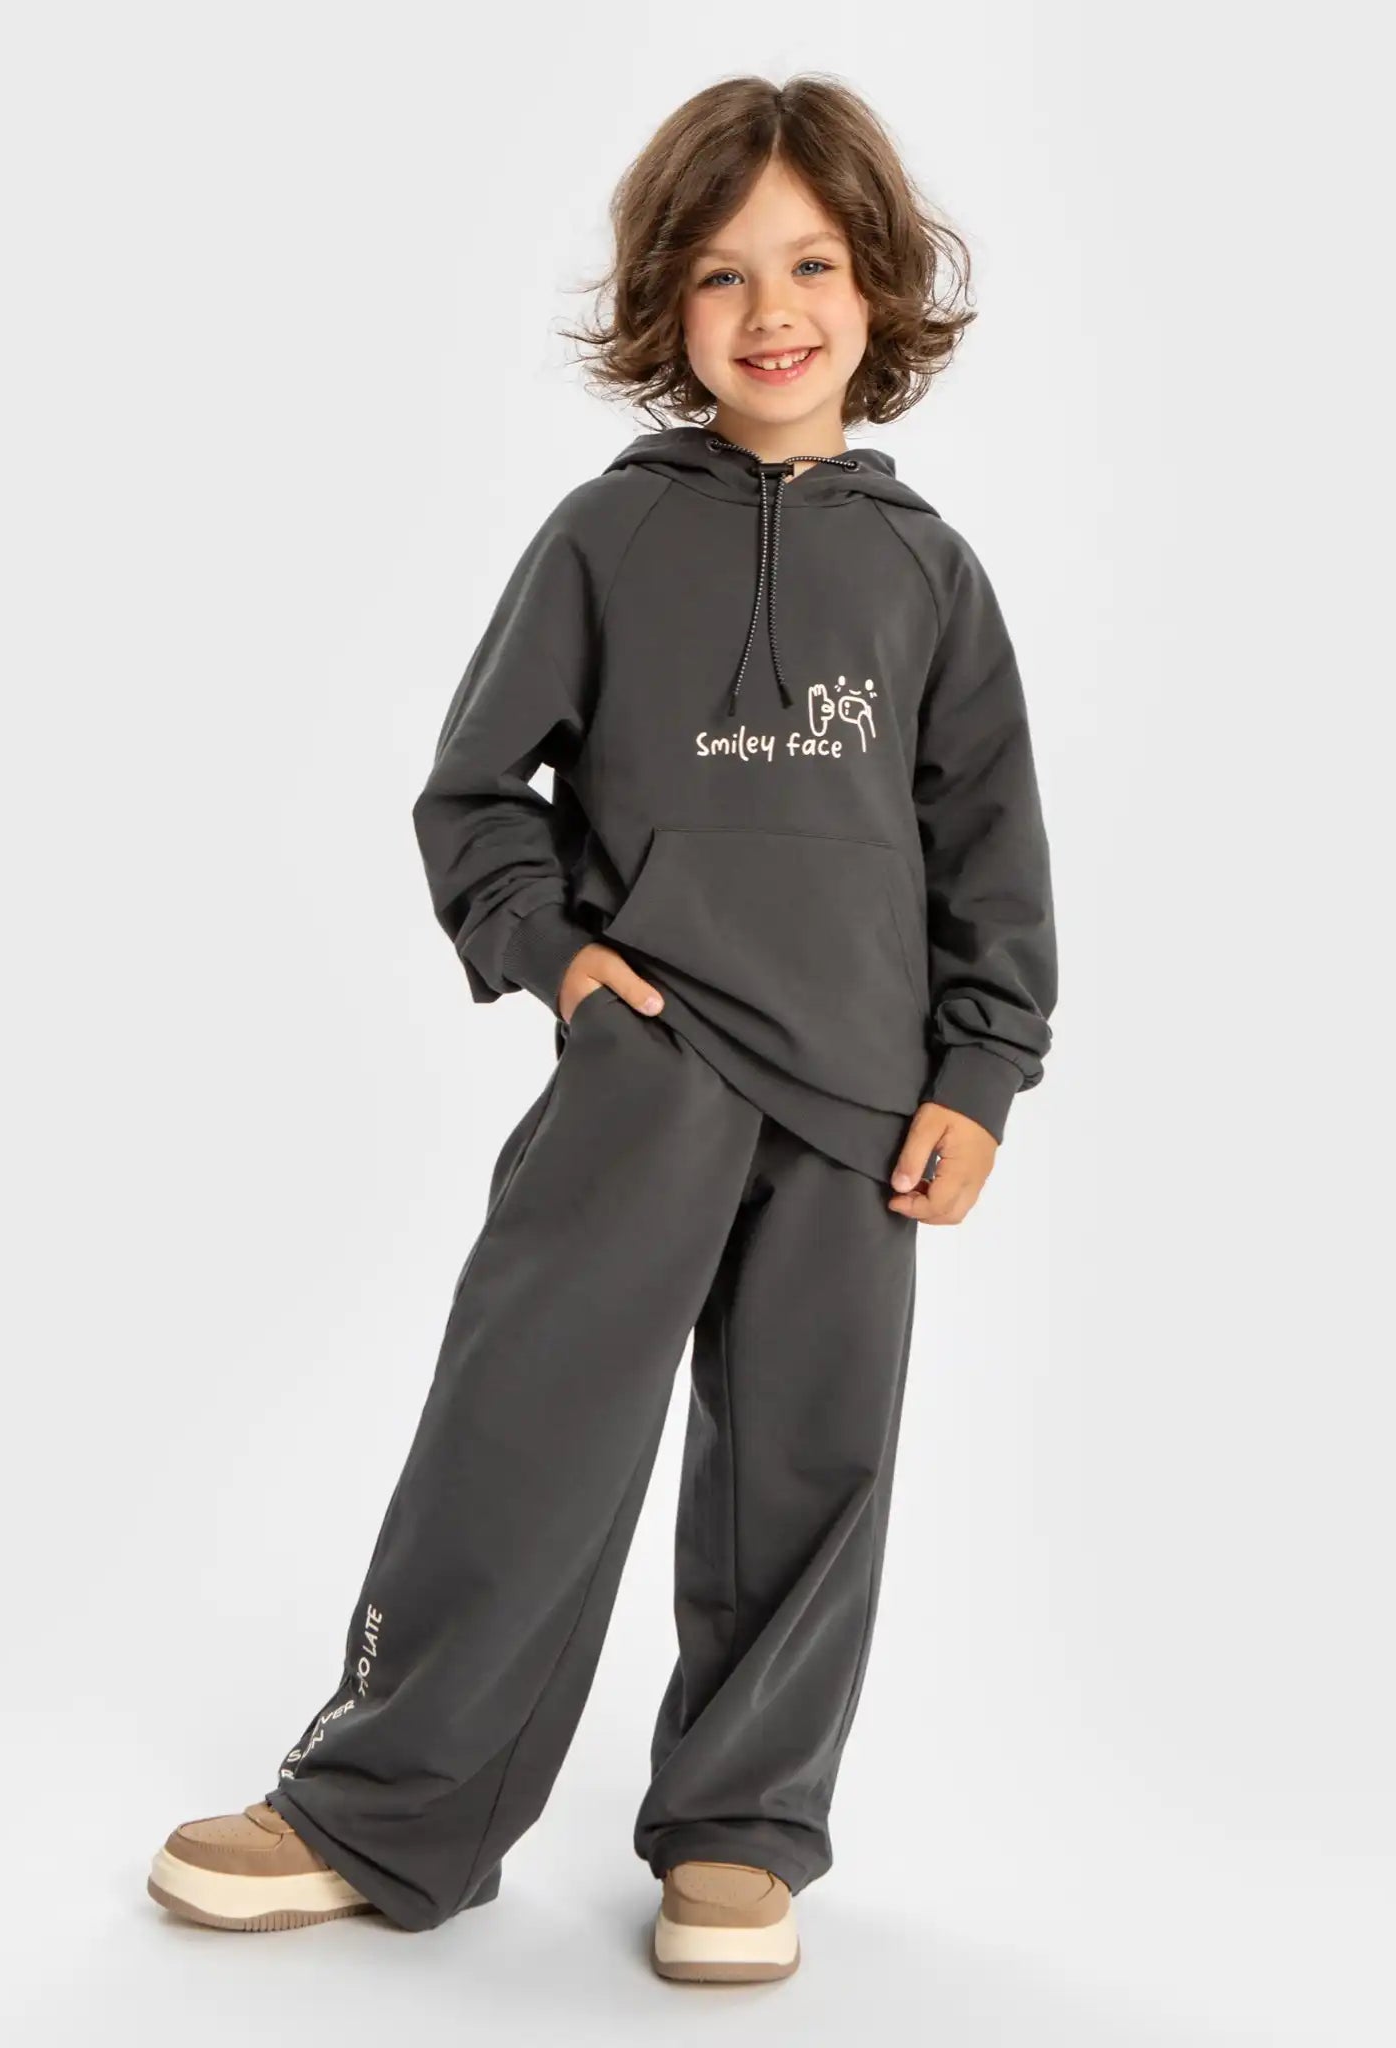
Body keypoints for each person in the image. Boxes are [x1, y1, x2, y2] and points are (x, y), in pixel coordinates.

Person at [146, 72, 1058, 1986]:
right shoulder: (605, 536)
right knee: (524, 1427)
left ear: (879, 288)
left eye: (811, 265)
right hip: (648, 1075)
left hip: (859, 1105)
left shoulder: (930, 574)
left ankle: (740, 1832)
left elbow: (991, 857)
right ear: (668, 305)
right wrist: (556, 960)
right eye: (722, 274)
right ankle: (383, 1807)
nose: (771, 310)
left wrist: (980, 1075)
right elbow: (476, 795)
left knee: (809, 1469)